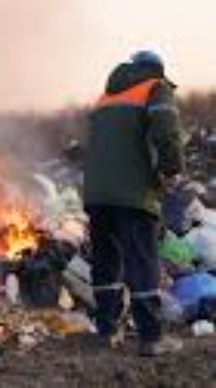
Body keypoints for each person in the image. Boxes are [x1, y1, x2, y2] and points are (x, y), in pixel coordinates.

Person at [83, 50, 185, 356]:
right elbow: (166, 133)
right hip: (133, 193)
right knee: (141, 260)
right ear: (157, 71)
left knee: (106, 262)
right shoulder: (156, 88)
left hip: (97, 194)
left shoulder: (105, 97)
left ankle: (106, 332)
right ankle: (151, 338)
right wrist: (171, 170)